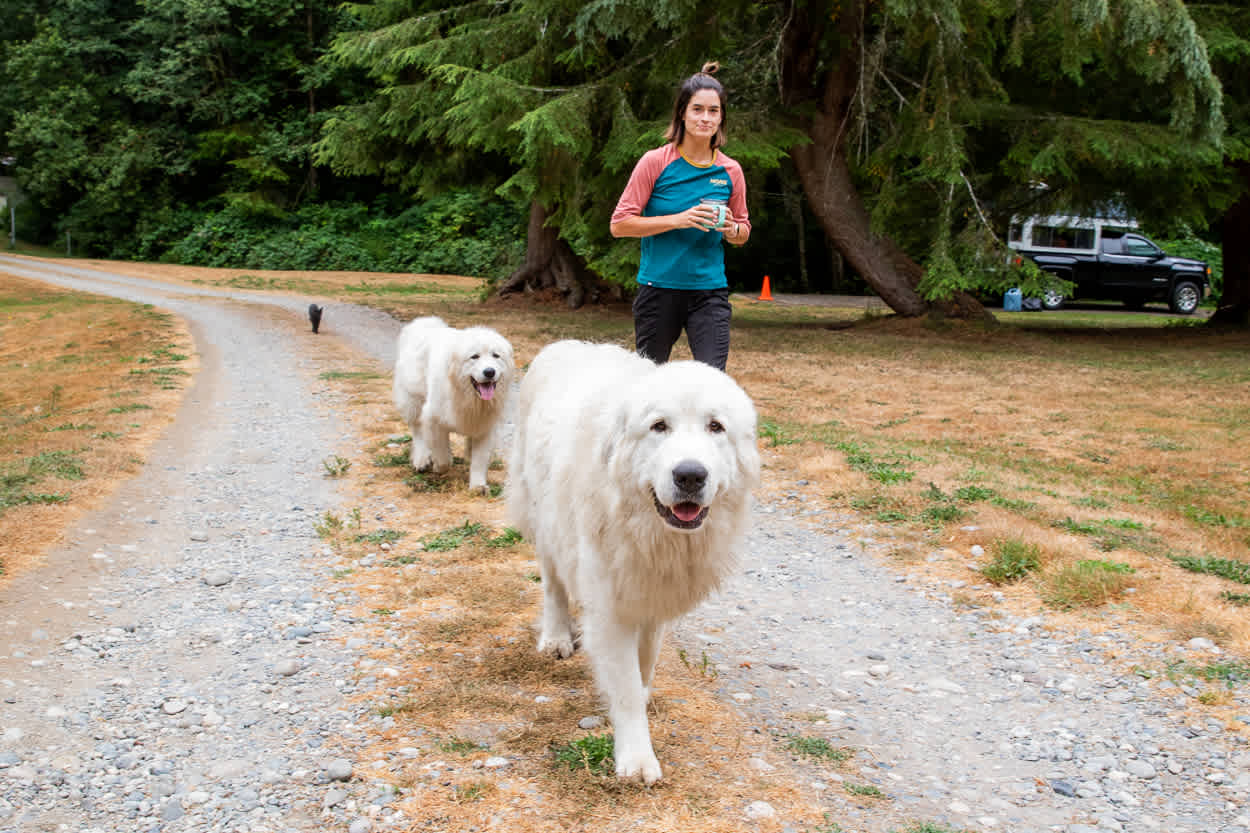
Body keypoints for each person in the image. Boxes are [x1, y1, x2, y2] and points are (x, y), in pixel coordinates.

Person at [610, 63, 751, 372]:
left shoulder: (730, 170)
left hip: (709, 291)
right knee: (648, 382)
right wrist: (680, 219)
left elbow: (743, 232)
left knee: (713, 383)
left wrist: (732, 228)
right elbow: (619, 224)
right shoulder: (655, 162)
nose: (705, 118)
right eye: (697, 109)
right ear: (682, 114)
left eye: (713, 111)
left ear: (721, 117)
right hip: (658, 288)